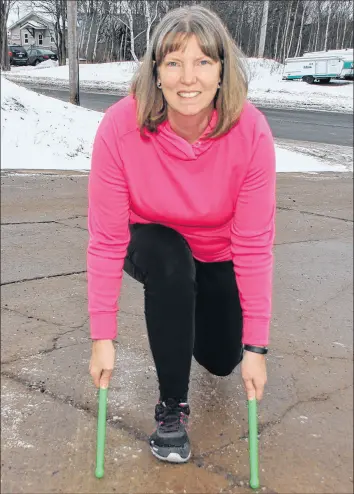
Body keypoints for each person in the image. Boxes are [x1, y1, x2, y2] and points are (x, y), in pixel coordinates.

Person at [88, 5, 276, 464]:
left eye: (202, 62)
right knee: (171, 262)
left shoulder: (250, 131)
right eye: (173, 62)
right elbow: (107, 239)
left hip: (219, 251)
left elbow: (253, 244)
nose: (187, 78)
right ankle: (172, 406)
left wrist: (256, 347)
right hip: (151, 241)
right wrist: (102, 337)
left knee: (221, 360)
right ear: (155, 71)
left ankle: (186, 316)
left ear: (221, 71)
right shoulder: (119, 125)